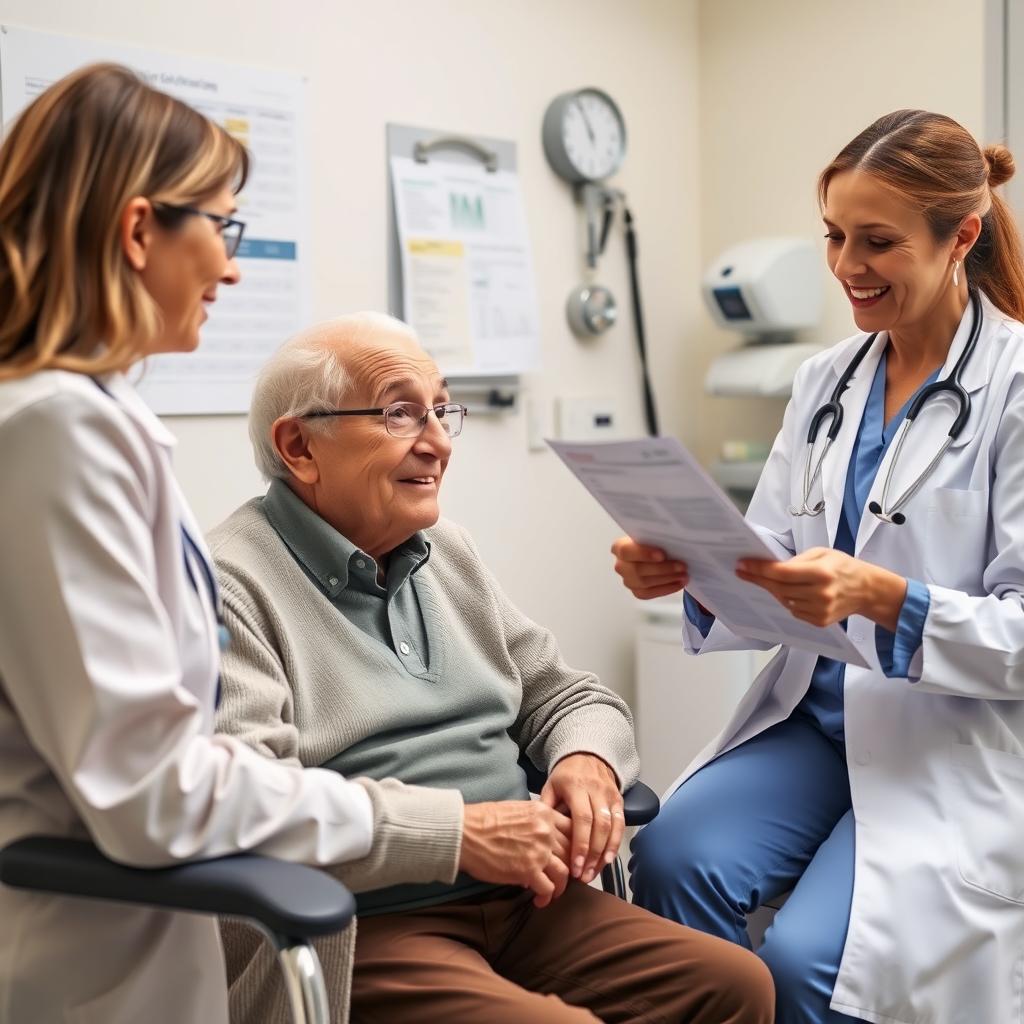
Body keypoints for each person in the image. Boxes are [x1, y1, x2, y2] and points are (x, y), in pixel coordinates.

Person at [209, 313, 775, 1024]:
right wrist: (465, 834)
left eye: (442, 410)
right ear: (299, 446)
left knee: (733, 983)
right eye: (400, 413)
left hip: (525, 901)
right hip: (363, 925)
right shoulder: (229, 583)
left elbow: (568, 695)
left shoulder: (444, 550)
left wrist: (588, 761)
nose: (439, 442)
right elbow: (252, 807)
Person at [0, 65, 419, 1024]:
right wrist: (431, 826)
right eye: (222, 229)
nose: (232, 267)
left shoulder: (88, 418)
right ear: (141, 229)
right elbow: (153, 789)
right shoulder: (53, 431)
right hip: (85, 967)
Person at [612, 109, 1024, 1024]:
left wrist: (887, 598)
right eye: (835, 236)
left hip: (949, 739)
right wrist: (688, 569)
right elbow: (767, 557)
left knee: (807, 964)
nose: (847, 266)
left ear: (961, 237)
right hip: (818, 719)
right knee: (672, 859)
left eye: (877, 242)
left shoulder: (1016, 388)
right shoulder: (825, 381)